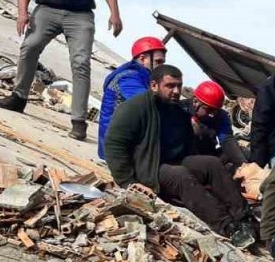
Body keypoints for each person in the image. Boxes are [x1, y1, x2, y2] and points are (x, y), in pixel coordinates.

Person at [0, 0, 123, 141]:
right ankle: (18, 97)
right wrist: (22, 12)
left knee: (81, 62)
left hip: (80, 14)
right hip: (47, 9)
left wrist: (115, 13)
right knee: (30, 46)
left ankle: (79, 121)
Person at [104, 65, 252, 245]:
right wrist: (128, 182)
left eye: (178, 86)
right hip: (148, 168)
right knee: (180, 175)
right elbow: (113, 145)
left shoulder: (177, 111)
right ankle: (229, 227)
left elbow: (216, 141)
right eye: (170, 86)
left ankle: (245, 218)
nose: (175, 91)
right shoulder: (135, 108)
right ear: (154, 86)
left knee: (211, 163)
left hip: (174, 160)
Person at [97, 37, 165, 159]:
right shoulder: (128, 78)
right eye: (158, 62)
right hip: (116, 152)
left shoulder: (142, 77)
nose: (161, 67)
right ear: (143, 59)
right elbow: (150, 104)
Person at [187, 81, 247, 172]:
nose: (213, 114)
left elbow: (227, 140)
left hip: (210, 155)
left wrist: (245, 166)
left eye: (216, 110)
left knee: (242, 152)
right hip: (187, 160)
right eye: (210, 110)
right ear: (195, 101)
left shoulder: (220, 116)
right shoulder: (181, 111)